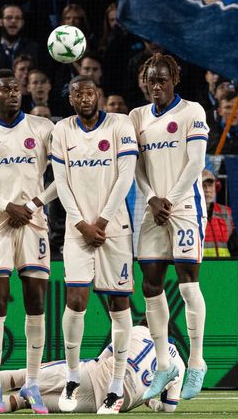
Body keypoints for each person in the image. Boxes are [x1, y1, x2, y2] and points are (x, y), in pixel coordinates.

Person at [0, 68, 57, 414]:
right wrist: (8, 206)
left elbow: (60, 178)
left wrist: (31, 205)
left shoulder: (43, 128)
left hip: (34, 223)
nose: (14, 94)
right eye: (6, 89)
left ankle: (32, 383)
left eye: (17, 89)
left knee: (36, 301)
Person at [49, 75, 138, 413]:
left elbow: (125, 176)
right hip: (77, 229)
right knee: (76, 299)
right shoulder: (62, 131)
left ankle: (115, 386)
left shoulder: (120, 124)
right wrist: (81, 224)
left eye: (89, 92)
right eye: (77, 93)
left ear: (98, 95)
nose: (84, 98)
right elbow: (61, 182)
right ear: (70, 99)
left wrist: (101, 221)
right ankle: (72, 378)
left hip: (115, 228)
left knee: (118, 305)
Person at [129, 52, 210, 401]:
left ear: (174, 80)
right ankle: (164, 364)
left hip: (185, 207)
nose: (156, 85)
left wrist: (170, 200)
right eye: (151, 80)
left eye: (162, 79)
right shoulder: (137, 117)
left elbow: (197, 163)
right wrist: (150, 198)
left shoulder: (192, 111)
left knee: (188, 284)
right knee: (150, 285)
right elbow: (136, 166)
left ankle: (196, 361)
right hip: (151, 208)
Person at [0, 324, 186, 414]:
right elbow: (168, 409)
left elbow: (104, 357)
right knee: (25, 402)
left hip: (92, 376)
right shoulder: (180, 366)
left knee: (24, 377)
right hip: (105, 405)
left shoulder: (139, 330)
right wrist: (149, 401)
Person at [0, 4, 40, 72]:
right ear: (1, 22)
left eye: (17, 18)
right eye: (9, 18)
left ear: (22, 23)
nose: (13, 21)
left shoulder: (33, 49)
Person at [201, 169, 238, 257]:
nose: (207, 190)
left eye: (210, 185)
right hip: (200, 265)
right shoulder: (190, 213)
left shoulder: (225, 211)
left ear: (216, 187)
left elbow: (236, 245)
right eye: (203, 186)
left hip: (224, 265)